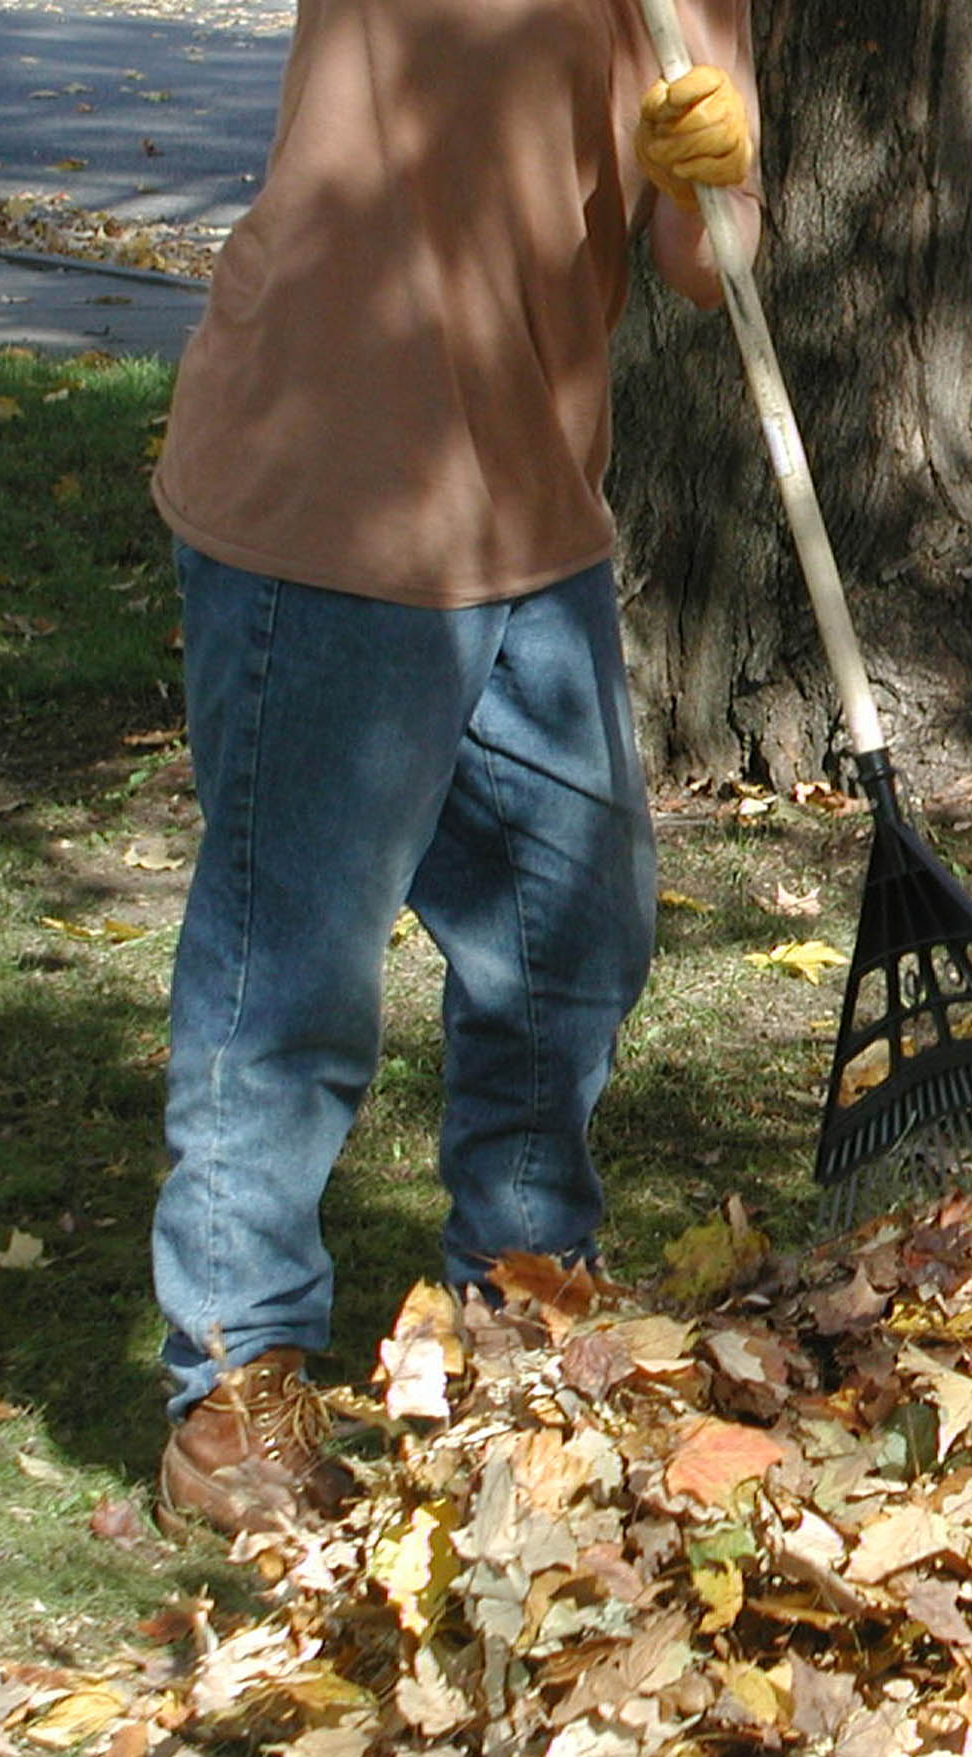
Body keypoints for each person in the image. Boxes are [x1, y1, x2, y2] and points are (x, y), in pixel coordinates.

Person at [147, 0, 762, 1540]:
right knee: (286, 976)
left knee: (576, 932)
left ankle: (525, 1303)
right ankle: (236, 1387)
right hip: (332, 486)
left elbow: (706, 266)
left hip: (532, 518)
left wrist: (725, 182)